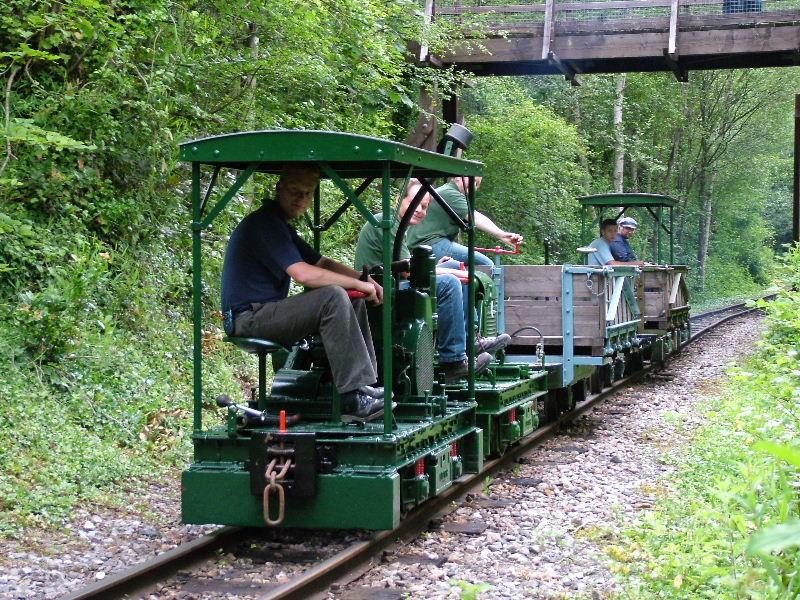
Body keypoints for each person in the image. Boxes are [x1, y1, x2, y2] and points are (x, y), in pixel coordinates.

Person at [221, 163, 386, 420]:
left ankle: (363, 386)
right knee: (333, 296)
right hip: (248, 319)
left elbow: (320, 262)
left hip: (265, 313)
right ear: (279, 189)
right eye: (294, 191)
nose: (301, 199)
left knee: (351, 298)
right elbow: (303, 274)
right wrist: (356, 283)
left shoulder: (281, 226)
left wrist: (364, 280)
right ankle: (353, 399)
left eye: (308, 193)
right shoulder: (264, 225)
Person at [355, 180, 510, 382]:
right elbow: (408, 272)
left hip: (395, 284)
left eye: (425, 207)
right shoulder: (388, 223)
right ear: (399, 200)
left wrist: (446, 268)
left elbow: (406, 267)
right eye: (416, 203)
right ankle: (453, 361)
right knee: (450, 283)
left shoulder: (401, 226)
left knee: (454, 268)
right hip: (382, 291)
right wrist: (447, 273)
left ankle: (468, 341)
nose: (420, 210)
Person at [407, 176, 524, 267]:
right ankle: (491, 297)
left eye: (477, 184)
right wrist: (501, 235)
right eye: (471, 179)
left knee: (460, 267)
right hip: (430, 243)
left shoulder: (448, 192)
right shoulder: (450, 193)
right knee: (486, 264)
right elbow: (475, 217)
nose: (473, 185)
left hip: (425, 244)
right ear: (457, 177)